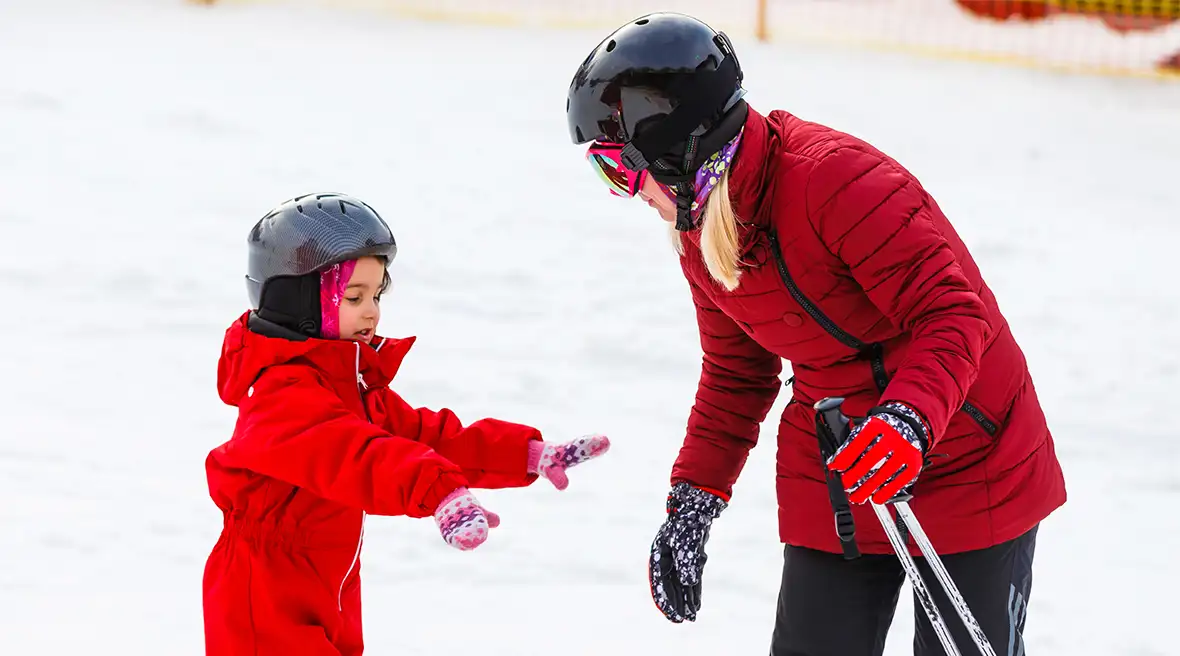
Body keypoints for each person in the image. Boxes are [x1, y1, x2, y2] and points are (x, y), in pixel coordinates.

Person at [566, 13, 1066, 656]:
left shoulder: (836, 182)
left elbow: (953, 315)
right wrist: (692, 502)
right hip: (842, 461)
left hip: (968, 447)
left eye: (618, 171)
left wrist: (908, 421)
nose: (626, 195)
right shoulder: (703, 234)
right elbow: (737, 376)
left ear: (678, 150)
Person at [202, 192, 610, 655]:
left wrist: (527, 453)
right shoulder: (281, 396)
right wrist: (437, 489)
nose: (372, 311)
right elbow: (357, 453)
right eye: (354, 297)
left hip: (325, 590)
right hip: (265, 603)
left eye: (376, 295)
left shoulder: (345, 387)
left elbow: (425, 436)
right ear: (297, 302)